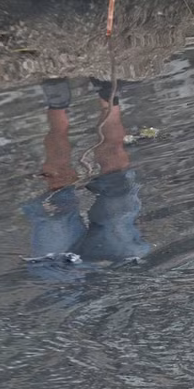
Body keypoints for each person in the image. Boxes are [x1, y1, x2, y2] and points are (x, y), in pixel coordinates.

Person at [22, 76, 150, 281]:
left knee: (58, 199)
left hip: (63, 278)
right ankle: (109, 97)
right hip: (121, 270)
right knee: (117, 189)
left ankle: (57, 106)